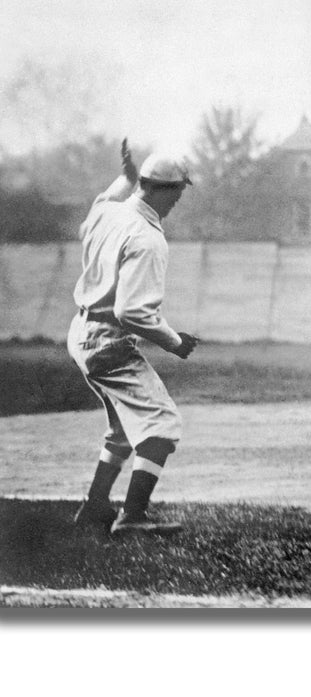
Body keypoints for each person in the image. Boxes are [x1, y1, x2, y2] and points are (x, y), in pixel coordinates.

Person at [69, 140, 199, 537]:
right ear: (161, 189)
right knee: (161, 426)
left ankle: (94, 507)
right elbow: (133, 312)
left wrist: (125, 177)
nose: (178, 198)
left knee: (125, 428)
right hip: (108, 341)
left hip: (80, 333)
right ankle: (133, 515)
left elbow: (107, 197)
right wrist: (174, 342)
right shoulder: (147, 238)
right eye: (176, 190)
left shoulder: (104, 212)